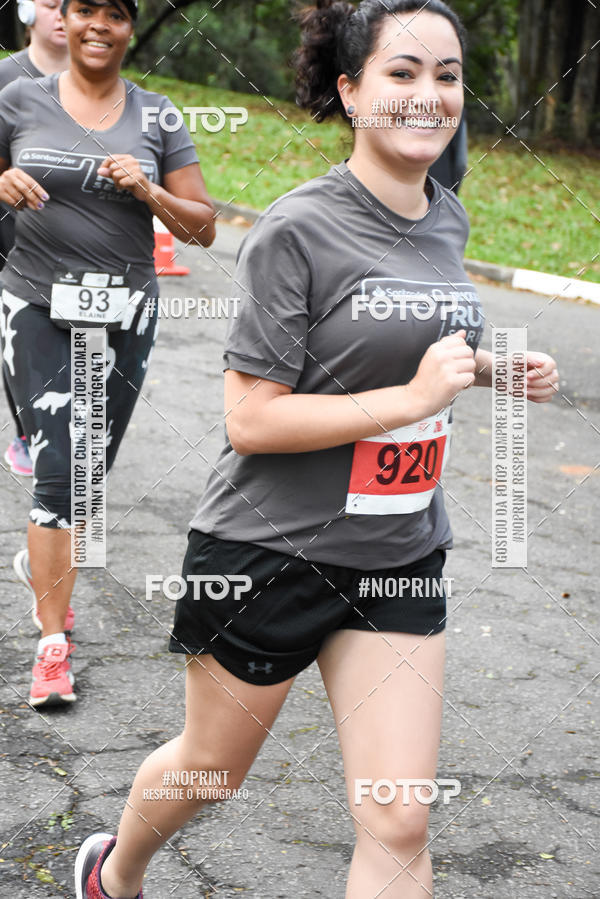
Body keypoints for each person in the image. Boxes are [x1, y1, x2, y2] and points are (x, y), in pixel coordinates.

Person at [74, 1, 559, 897]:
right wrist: (410, 399)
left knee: (399, 817)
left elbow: (403, 351)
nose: (428, 93)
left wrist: (494, 369)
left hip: (399, 553)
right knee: (210, 772)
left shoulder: (445, 217)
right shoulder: (297, 227)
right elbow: (252, 419)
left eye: (447, 75)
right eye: (402, 73)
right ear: (351, 90)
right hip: (269, 553)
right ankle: (115, 871)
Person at [0, 0, 215, 708]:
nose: (98, 24)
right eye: (85, 8)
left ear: (130, 28)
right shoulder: (18, 99)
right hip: (34, 303)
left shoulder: (159, 117)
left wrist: (148, 190)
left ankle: (44, 565)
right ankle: (52, 645)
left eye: (115, 13)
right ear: (63, 18)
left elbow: (204, 228)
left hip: (124, 313)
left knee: (87, 477)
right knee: (59, 473)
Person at [1, 0, 70, 476]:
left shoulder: (100, 86)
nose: (62, 14)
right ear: (27, 11)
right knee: (19, 342)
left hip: (69, 249)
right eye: (50, 4)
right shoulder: (6, 79)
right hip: (8, 243)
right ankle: (30, 435)